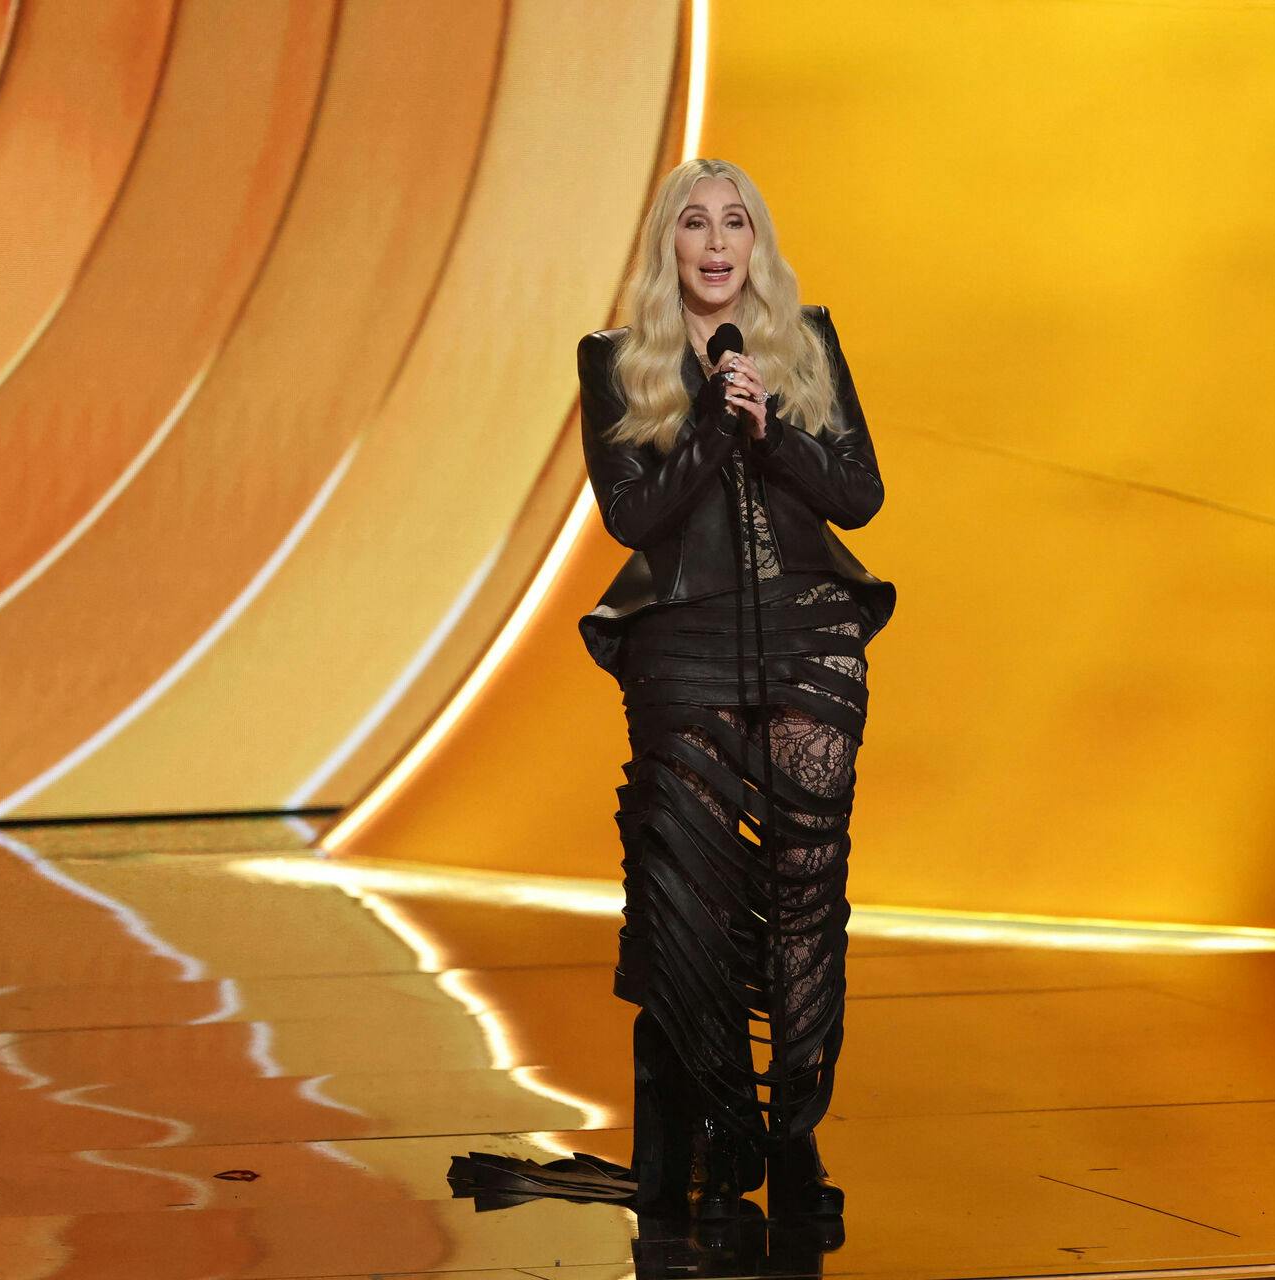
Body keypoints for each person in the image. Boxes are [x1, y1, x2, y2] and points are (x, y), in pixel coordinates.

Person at [576, 157, 895, 1224]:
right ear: (666, 245)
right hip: (683, 640)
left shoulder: (806, 342)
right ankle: (716, 1124)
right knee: (693, 895)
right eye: (695, 224)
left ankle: (794, 1130)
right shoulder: (615, 360)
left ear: (757, 243)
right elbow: (632, 516)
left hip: (809, 630)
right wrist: (714, 422)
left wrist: (773, 428)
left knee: (807, 886)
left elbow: (860, 494)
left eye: (735, 224)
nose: (716, 244)